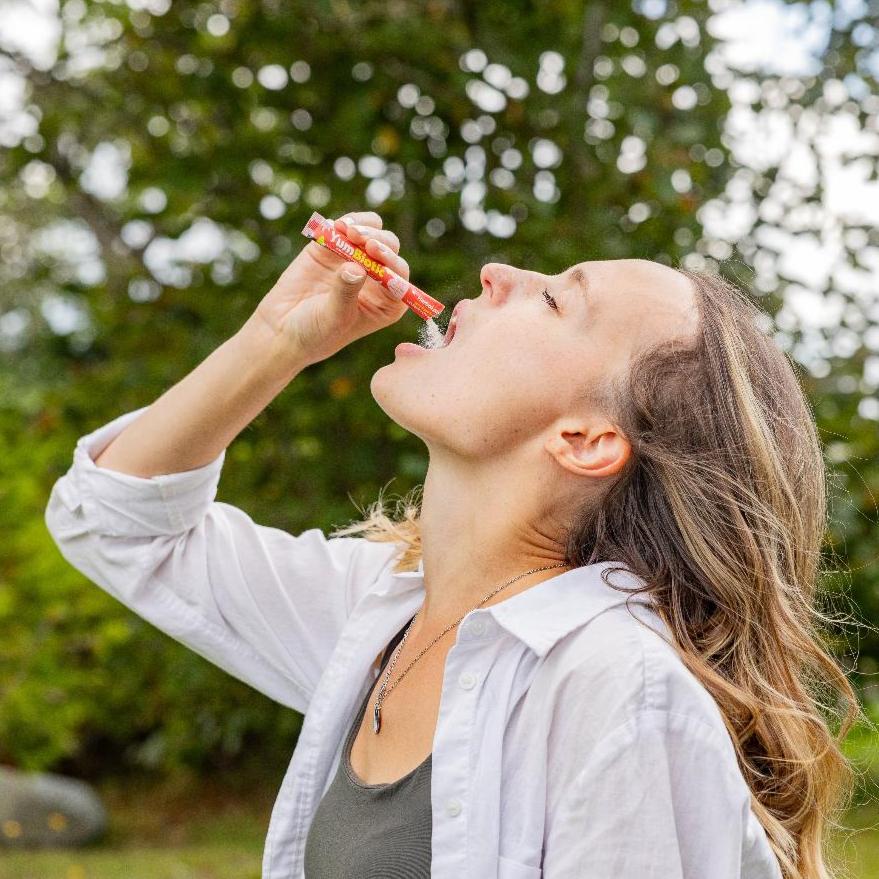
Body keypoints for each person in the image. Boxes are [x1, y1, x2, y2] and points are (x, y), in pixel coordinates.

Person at [45, 210, 858, 879]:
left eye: (553, 302)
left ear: (582, 439)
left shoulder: (615, 688)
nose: (497, 274)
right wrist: (276, 338)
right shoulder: (381, 615)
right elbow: (112, 521)